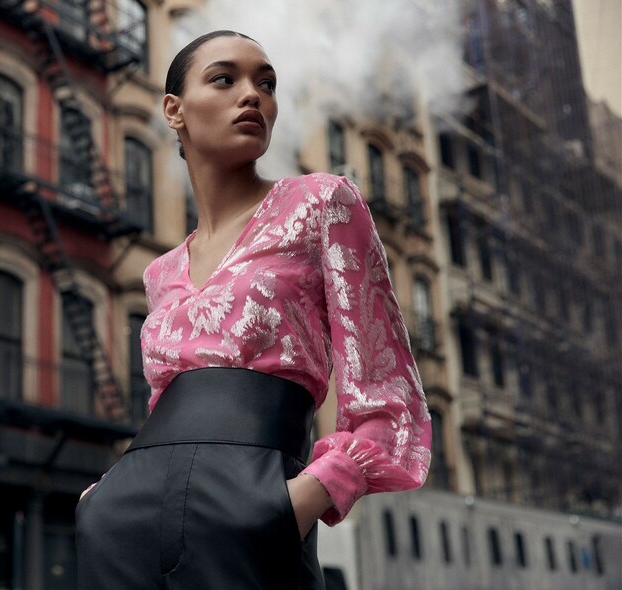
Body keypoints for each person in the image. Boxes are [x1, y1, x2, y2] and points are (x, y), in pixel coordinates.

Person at [75, 30, 431, 589]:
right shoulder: (159, 272)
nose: (253, 95)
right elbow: (162, 402)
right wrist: (100, 498)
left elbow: (387, 389)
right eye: (225, 78)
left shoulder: (321, 204)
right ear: (175, 110)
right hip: (126, 518)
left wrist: (312, 492)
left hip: (257, 504)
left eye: (266, 83)